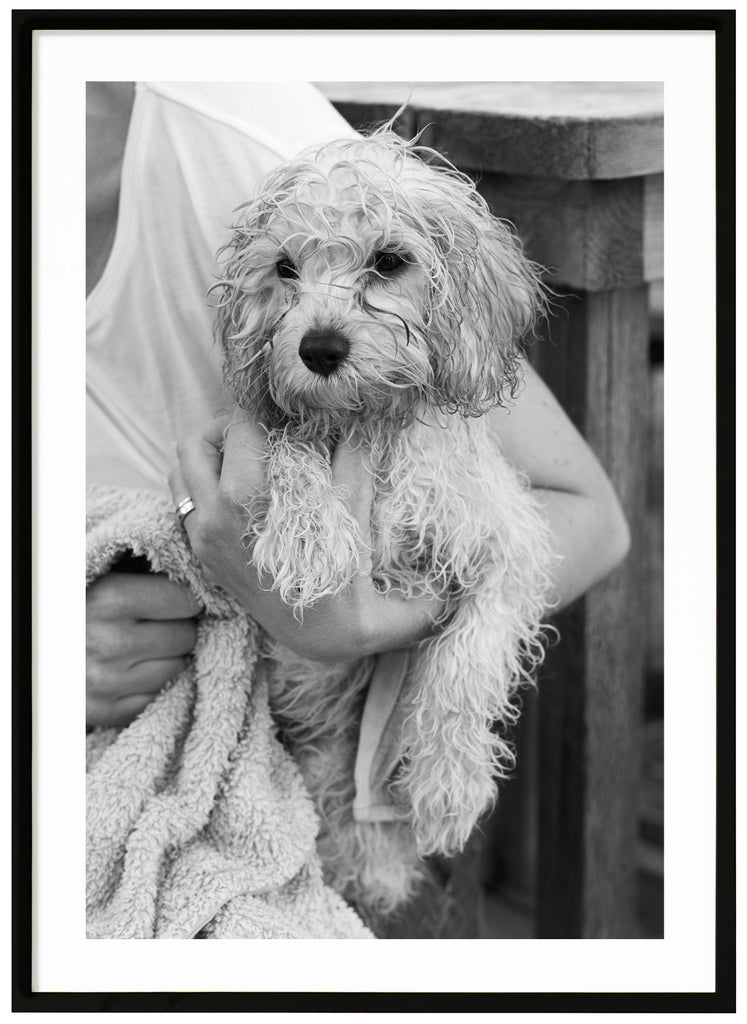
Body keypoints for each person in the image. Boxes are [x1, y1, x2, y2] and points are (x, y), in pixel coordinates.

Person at [86, 83, 630, 935]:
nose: (322, 319)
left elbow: (568, 526)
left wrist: (370, 632)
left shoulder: (244, 130)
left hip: (351, 774)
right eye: (289, 273)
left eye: (383, 266)